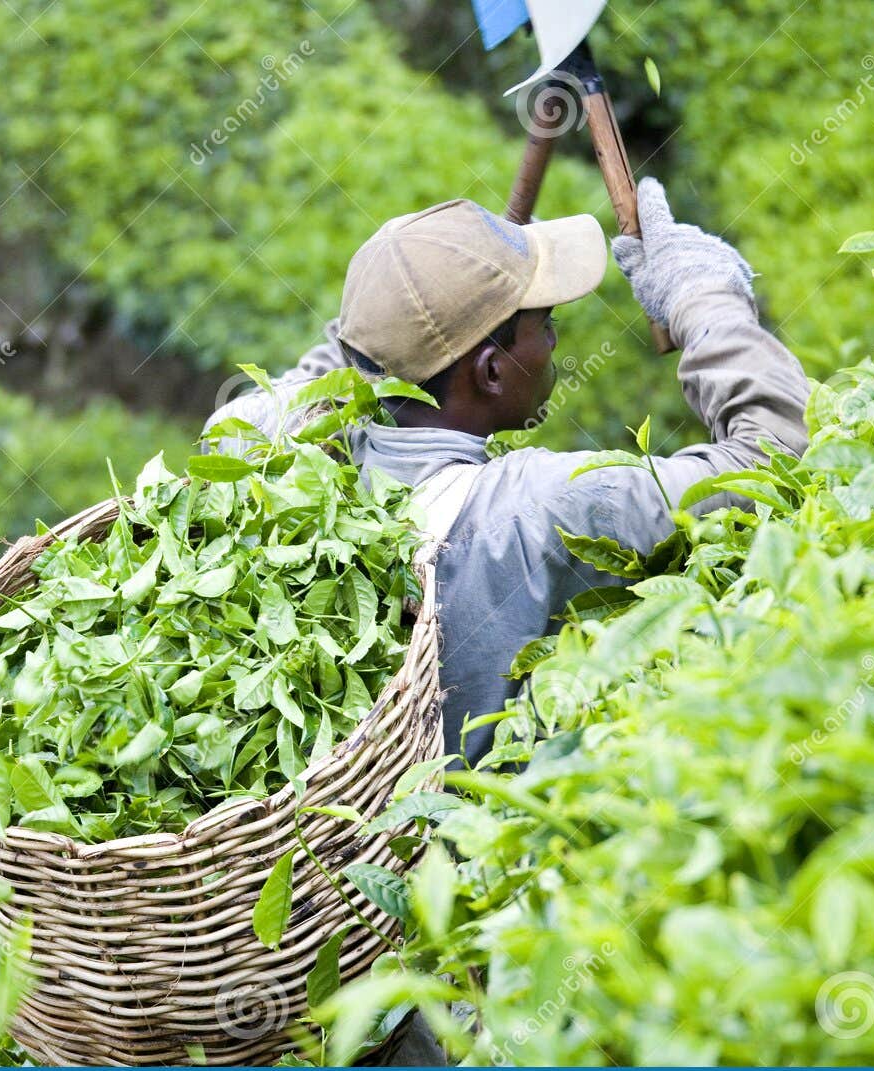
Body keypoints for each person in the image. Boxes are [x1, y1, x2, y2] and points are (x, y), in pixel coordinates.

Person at [205, 179, 810, 771]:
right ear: (492, 373)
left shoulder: (262, 444)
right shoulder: (539, 508)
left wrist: (444, 282)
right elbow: (779, 465)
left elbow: (336, 364)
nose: (553, 338)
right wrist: (703, 298)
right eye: (543, 323)